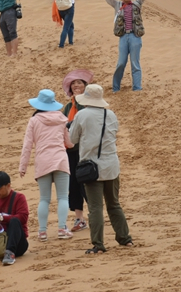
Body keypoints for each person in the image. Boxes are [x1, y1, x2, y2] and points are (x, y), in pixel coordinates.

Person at [68, 84, 133, 254]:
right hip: (111, 165)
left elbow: (72, 139)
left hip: (91, 167)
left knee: (95, 207)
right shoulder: (110, 114)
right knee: (114, 204)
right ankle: (125, 239)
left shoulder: (82, 115)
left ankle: (98, 244)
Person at [20, 90, 76, 241]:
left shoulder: (34, 120)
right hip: (60, 160)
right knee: (62, 197)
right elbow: (70, 143)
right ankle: (62, 228)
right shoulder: (62, 119)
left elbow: (27, 145)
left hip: (43, 161)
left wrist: (23, 167)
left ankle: (42, 232)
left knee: (44, 199)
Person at [87, 0, 155, 92]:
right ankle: (116, 88)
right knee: (121, 63)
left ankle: (137, 88)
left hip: (135, 37)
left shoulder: (137, 4)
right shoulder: (117, 4)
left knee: (135, 63)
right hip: (123, 38)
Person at [61, 69, 94, 232]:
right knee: (73, 184)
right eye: (73, 83)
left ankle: (94, 214)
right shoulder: (68, 106)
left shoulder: (88, 104)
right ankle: (79, 218)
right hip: (70, 150)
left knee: (87, 182)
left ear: (85, 86)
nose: (76, 86)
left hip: (85, 150)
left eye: (79, 83)